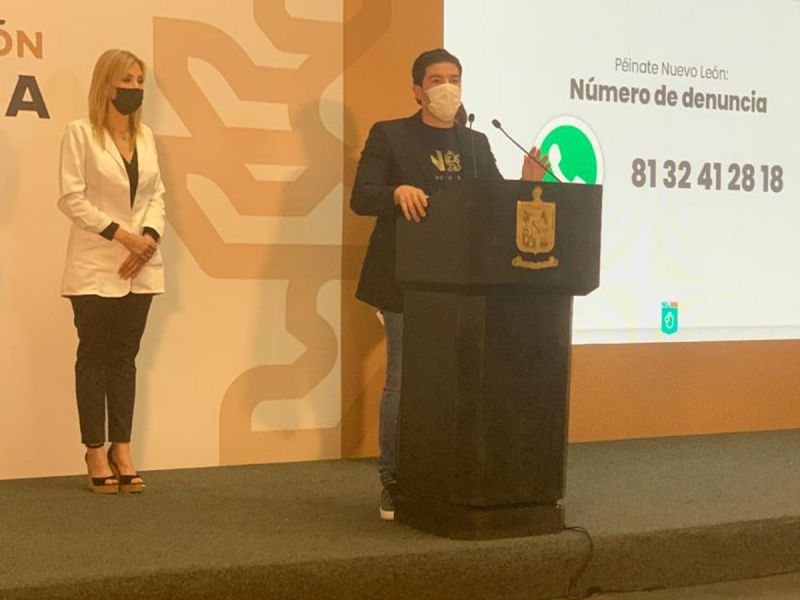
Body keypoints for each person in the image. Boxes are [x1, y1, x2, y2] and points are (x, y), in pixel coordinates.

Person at [350, 48, 549, 520]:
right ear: (417, 90)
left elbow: (493, 205)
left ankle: (447, 470)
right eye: (436, 79)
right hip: (405, 278)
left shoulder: (475, 142)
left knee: (461, 379)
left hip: (465, 282)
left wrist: (525, 184)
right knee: (403, 378)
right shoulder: (391, 135)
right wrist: (396, 192)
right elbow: (362, 197)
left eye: (454, 78)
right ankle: (393, 478)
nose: (447, 88)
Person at [58, 49, 166, 494]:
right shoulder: (80, 133)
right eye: (127, 80)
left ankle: (123, 448)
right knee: (94, 357)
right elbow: (71, 198)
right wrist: (123, 237)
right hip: (96, 264)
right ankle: (94, 450)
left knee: (125, 359)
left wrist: (148, 238)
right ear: (106, 85)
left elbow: (156, 195)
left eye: (140, 81)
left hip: (141, 265)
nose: (135, 88)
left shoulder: (147, 137)